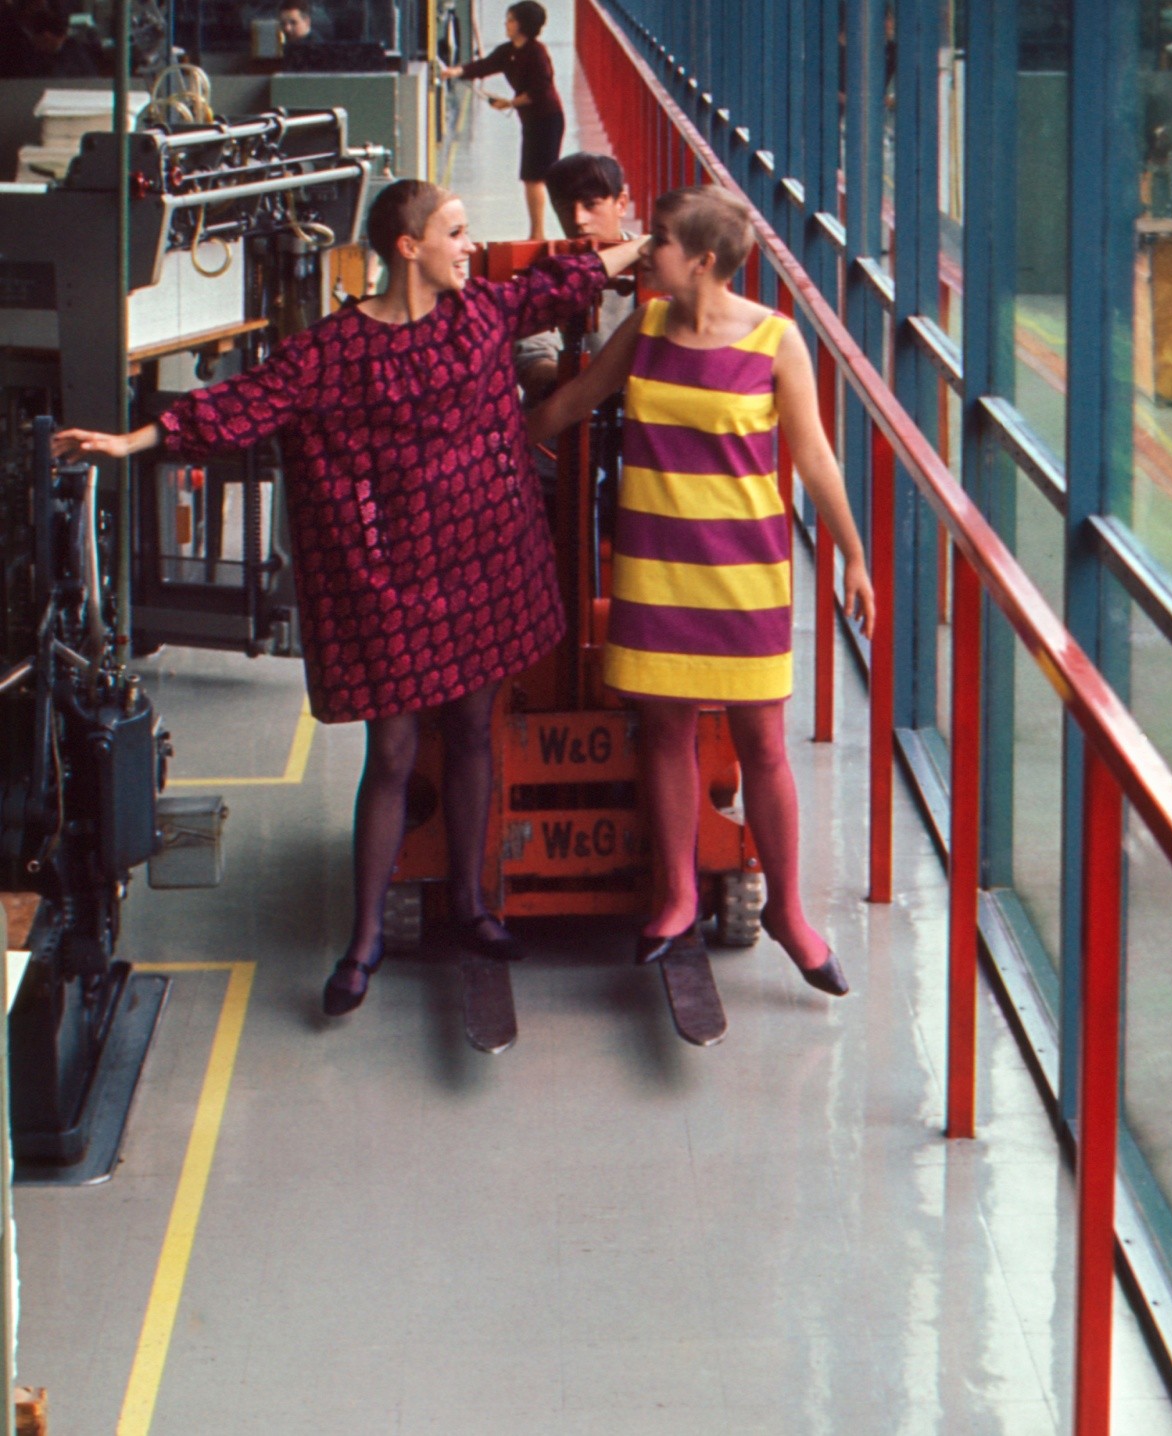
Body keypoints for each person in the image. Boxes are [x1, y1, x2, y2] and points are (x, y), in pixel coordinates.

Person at [55, 180, 647, 1017]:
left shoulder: (479, 313)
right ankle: (364, 937)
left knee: (476, 728)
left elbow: (561, 282)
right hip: (395, 583)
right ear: (408, 247)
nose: (468, 246)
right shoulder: (330, 351)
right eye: (455, 232)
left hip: (482, 566)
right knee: (396, 753)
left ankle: (473, 905)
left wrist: (644, 251)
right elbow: (239, 405)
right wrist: (128, 439)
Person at [529, 186, 876, 995]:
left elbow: (816, 459)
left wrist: (853, 557)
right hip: (655, 567)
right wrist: (486, 445)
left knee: (762, 742)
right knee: (665, 732)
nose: (646, 252)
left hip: (743, 576)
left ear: (705, 262)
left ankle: (789, 912)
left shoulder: (776, 341)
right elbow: (576, 403)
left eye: (662, 243)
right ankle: (678, 895)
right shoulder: (644, 329)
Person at [514, 152, 636, 400]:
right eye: (565, 208)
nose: (579, 220)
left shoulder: (657, 265)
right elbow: (533, 362)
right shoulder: (543, 270)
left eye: (591, 205)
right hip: (565, 406)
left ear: (621, 204)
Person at [441, 2, 563, 242]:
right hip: (531, 120)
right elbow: (484, 66)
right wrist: (454, 72)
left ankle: (538, 234)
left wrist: (510, 103)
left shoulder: (537, 52)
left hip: (547, 120)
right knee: (531, 176)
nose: (506, 24)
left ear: (523, 25)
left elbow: (541, 88)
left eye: (510, 20)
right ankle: (536, 232)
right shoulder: (508, 51)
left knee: (535, 177)